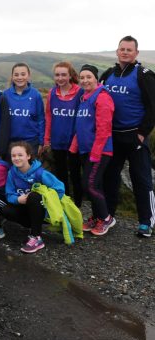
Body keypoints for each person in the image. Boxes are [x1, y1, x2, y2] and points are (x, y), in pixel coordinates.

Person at [101, 35, 155, 238]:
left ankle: (146, 222)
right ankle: (108, 216)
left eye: (129, 49)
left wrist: (142, 134)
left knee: (141, 179)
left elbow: (153, 108)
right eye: (122, 49)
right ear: (117, 51)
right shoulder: (107, 75)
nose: (125, 52)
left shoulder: (144, 74)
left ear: (136, 53)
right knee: (109, 177)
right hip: (112, 136)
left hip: (135, 137)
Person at [70, 65, 116, 236]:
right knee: (95, 184)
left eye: (88, 77)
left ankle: (106, 218)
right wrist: (74, 147)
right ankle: (97, 217)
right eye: (82, 77)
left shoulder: (102, 97)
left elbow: (104, 129)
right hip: (86, 150)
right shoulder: (84, 97)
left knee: (88, 184)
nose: (85, 80)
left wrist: (95, 154)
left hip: (100, 152)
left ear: (96, 78)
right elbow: (80, 126)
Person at [2, 141, 65, 253]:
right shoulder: (12, 173)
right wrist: (18, 199)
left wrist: (49, 204)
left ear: (28, 156)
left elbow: (60, 188)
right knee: (5, 209)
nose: (16, 158)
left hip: (43, 210)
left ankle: (37, 237)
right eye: (13, 155)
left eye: (20, 155)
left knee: (34, 196)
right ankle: (31, 225)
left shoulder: (40, 173)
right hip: (26, 208)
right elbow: (9, 194)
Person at [44, 62, 83, 206]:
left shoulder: (80, 92)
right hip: (57, 141)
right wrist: (47, 139)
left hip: (74, 142)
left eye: (63, 75)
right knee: (60, 175)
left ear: (70, 75)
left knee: (75, 175)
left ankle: (77, 205)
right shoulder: (52, 93)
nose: (60, 78)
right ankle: (65, 203)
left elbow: (82, 119)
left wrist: (76, 140)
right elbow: (49, 117)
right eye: (57, 75)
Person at [3, 63, 45, 156]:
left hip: (31, 142)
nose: (19, 77)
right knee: (12, 170)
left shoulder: (35, 95)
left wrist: (41, 142)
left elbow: (41, 119)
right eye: (16, 75)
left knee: (29, 169)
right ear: (12, 76)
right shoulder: (5, 95)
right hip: (10, 142)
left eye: (23, 74)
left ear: (28, 76)